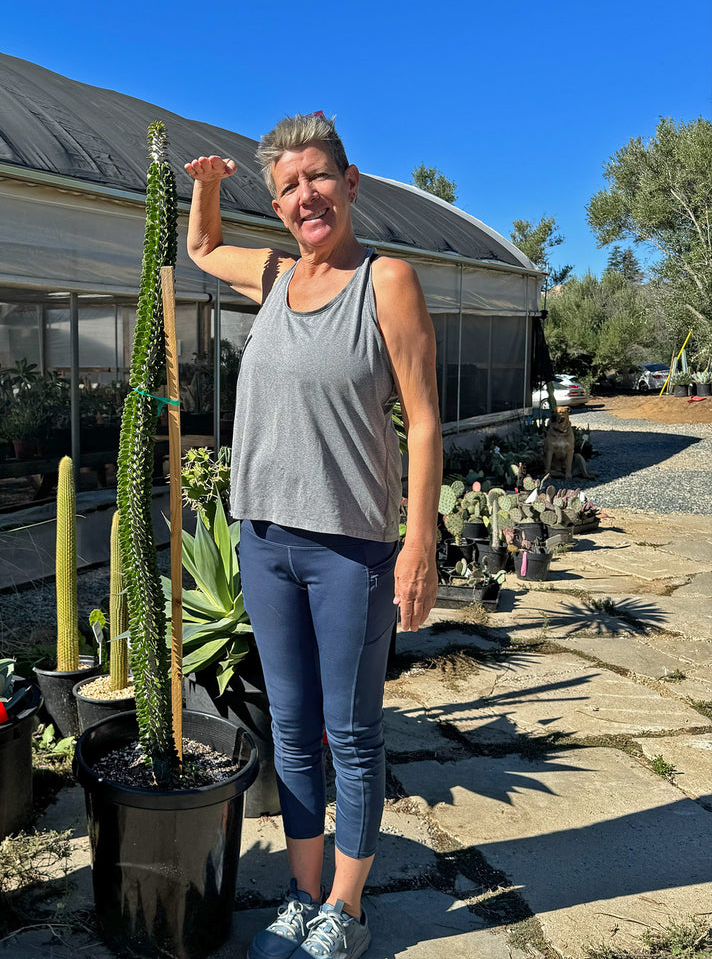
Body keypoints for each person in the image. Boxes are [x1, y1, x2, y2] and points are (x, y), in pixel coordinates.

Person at [184, 113, 441, 959]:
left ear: (350, 180)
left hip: (351, 550)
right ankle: (302, 894)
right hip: (263, 540)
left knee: (353, 736)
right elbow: (200, 250)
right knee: (290, 729)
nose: (305, 197)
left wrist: (418, 543)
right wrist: (207, 187)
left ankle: (348, 909)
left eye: (316, 178)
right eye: (288, 188)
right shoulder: (275, 277)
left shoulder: (386, 282)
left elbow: (425, 420)